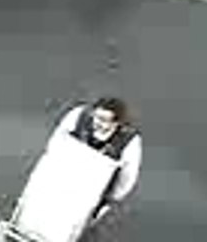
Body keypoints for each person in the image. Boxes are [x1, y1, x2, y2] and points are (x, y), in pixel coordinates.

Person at [47, 97, 142, 231]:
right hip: (61, 179)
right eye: (96, 116)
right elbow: (55, 143)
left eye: (104, 120)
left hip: (93, 192)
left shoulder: (129, 142)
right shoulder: (78, 116)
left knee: (71, 230)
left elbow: (127, 178)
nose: (96, 122)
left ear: (116, 123)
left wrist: (109, 199)